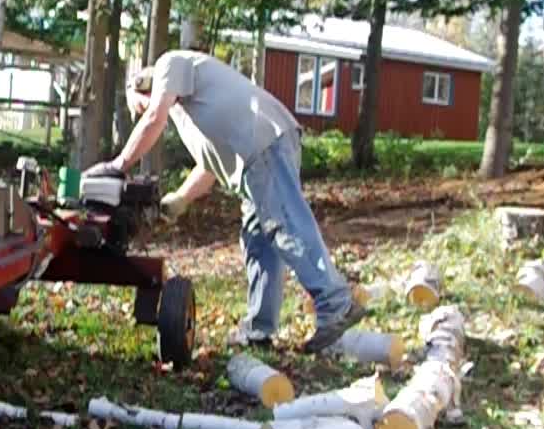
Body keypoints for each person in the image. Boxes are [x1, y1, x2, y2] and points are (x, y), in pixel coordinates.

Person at [84, 50, 364, 352]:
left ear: (142, 87)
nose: (142, 114)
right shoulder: (188, 110)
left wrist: (118, 167)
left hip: (263, 144)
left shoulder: (169, 65)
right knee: (259, 242)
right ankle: (259, 331)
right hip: (254, 157)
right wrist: (180, 198)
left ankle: (336, 303)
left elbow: (153, 117)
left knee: (285, 226)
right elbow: (209, 167)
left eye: (137, 107)